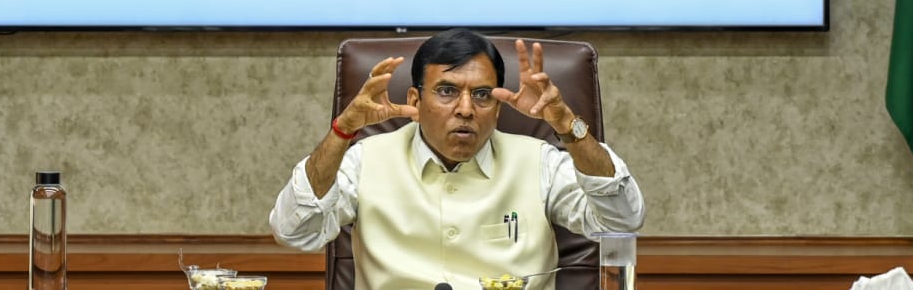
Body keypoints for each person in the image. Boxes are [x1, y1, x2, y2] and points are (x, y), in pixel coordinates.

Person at [269, 28, 645, 289]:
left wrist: (567, 125)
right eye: (447, 91)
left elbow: (622, 219)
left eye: (482, 95)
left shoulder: (540, 162)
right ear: (415, 101)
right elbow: (294, 231)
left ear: (498, 107)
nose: (466, 109)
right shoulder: (367, 160)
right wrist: (342, 131)